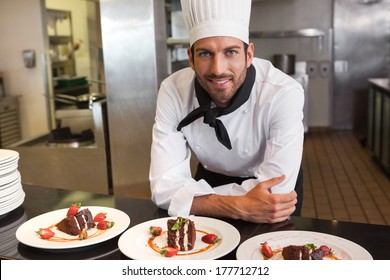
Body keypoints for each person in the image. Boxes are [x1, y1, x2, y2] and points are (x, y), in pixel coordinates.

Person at [149, 0, 304, 224]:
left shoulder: (282, 93)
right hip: (209, 178)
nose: (218, 69)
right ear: (190, 57)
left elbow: (275, 193)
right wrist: (238, 206)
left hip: (264, 190)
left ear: (249, 54)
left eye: (230, 52)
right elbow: (163, 187)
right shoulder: (173, 91)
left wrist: (192, 198)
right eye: (205, 54)